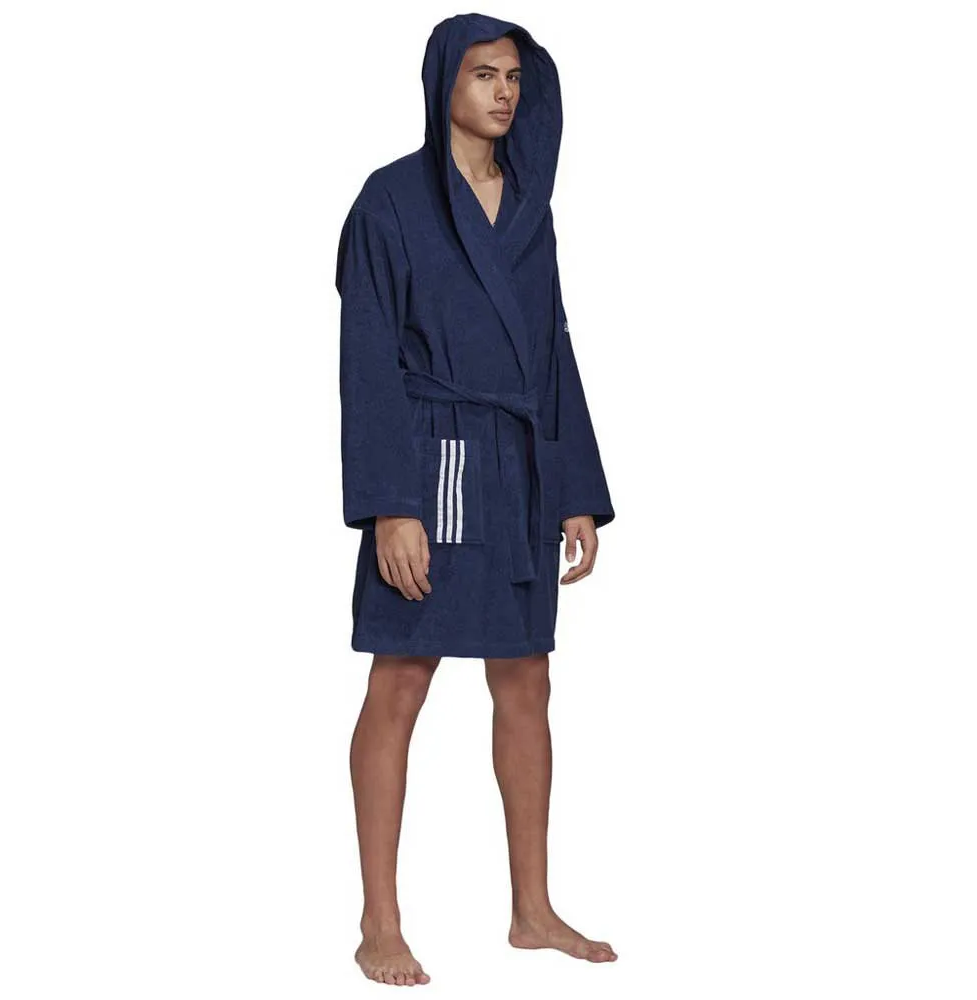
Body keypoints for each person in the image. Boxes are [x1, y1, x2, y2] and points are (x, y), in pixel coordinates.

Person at [335, 13, 617, 985]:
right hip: (433, 465)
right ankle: (378, 920)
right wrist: (391, 502)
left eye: (514, 77)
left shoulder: (529, 206)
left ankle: (532, 909)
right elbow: (367, 357)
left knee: (527, 678)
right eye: (484, 74)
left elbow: (552, 346)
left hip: (520, 466)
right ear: (442, 84)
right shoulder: (390, 201)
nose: (503, 92)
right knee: (402, 678)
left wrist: (572, 487)